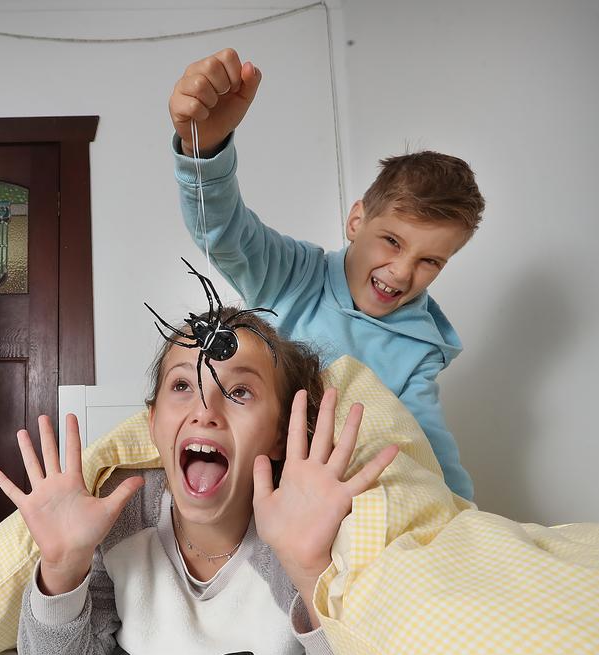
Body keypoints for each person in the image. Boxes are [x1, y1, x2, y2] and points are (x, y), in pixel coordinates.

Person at [0, 310, 398, 655]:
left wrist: (310, 570)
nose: (206, 410)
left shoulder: (306, 524)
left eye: (240, 392)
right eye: (183, 384)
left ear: (280, 434)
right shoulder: (119, 513)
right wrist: (62, 566)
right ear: (153, 423)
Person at [168, 48, 484, 500]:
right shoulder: (294, 272)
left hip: (319, 495)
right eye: (391, 241)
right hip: (243, 466)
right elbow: (224, 232)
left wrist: (464, 519)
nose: (401, 272)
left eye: (430, 261)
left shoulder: (420, 345)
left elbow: (426, 445)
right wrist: (205, 150)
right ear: (357, 221)